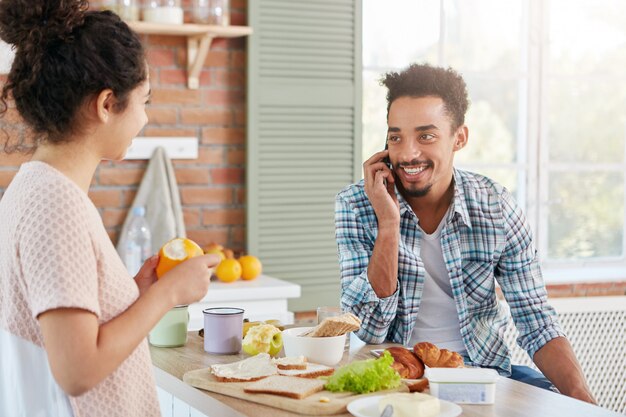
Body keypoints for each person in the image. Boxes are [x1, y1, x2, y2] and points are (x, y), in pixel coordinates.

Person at [0, 1, 220, 416]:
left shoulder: (34, 188)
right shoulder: (55, 205)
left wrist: (137, 293)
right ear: (106, 105)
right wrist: (169, 293)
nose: (145, 119)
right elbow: (77, 369)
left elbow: (65, 325)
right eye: (144, 101)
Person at [335, 63, 595, 403]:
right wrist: (388, 223)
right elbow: (368, 329)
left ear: (459, 138)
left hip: (482, 381)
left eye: (425, 136)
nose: (408, 153)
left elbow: (537, 322)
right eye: (396, 136)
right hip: (394, 383)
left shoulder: (495, 206)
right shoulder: (356, 204)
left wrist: (585, 402)